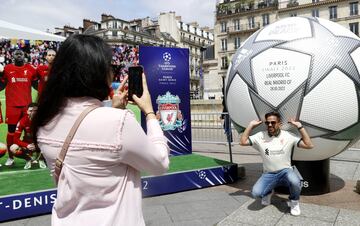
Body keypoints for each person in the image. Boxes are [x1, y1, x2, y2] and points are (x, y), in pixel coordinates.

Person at [32, 34, 169, 226]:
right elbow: (160, 163)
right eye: (110, 68)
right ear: (95, 73)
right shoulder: (118, 122)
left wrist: (113, 111)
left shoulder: (45, 121)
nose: (112, 74)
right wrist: (149, 112)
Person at [239, 111, 314, 216]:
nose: (270, 125)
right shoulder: (260, 135)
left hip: (286, 171)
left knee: (296, 182)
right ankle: (268, 192)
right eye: (267, 123)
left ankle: (294, 202)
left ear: (279, 124)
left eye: (273, 122)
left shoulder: (288, 136)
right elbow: (242, 142)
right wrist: (251, 125)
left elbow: (309, 145)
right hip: (268, 173)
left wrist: (299, 126)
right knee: (256, 193)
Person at [0, 49, 38, 166]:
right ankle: (11, 158)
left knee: (30, 132)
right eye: (16, 54)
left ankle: (33, 156)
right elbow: (1, 86)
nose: (19, 56)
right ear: (12, 56)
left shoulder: (31, 69)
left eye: (21, 54)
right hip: (12, 106)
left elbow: (37, 85)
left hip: (27, 107)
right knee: (12, 133)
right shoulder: (7, 69)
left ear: (24, 56)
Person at [11, 102, 46, 169]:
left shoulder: (43, 121)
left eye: (35, 111)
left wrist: (36, 144)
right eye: (30, 111)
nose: (33, 113)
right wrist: (27, 145)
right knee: (13, 148)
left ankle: (41, 159)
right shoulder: (22, 121)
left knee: (51, 145)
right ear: (27, 111)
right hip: (28, 145)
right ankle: (28, 159)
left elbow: (49, 137)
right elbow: (15, 139)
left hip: (40, 144)